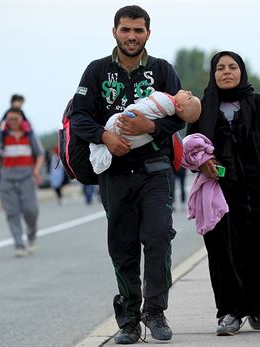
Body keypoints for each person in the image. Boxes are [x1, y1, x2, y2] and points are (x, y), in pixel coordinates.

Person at [69, 5, 184, 344]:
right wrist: (105, 137)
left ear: (148, 33)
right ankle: (130, 319)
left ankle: (155, 311)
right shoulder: (96, 71)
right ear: (114, 31)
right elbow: (79, 117)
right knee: (122, 246)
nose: (132, 36)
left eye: (138, 30)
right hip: (114, 173)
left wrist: (151, 126)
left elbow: (180, 115)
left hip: (156, 170)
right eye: (125, 30)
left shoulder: (163, 71)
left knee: (159, 236)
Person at [187, 51, 260, 336]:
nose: (226, 72)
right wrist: (201, 161)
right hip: (219, 194)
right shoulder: (201, 108)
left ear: (241, 71)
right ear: (213, 74)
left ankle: (257, 306)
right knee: (223, 253)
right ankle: (229, 312)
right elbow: (189, 147)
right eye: (220, 68)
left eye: (232, 67)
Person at [89, 89, 200, 174]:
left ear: (179, 107)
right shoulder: (98, 68)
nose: (189, 92)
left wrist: (149, 126)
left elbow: (178, 122)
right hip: (118, 165)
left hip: (153, 167)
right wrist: (103, 136)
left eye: (189, 98)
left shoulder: (166, 102)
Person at [0, 108, 44, 257]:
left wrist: (36, 171)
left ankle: (31, 237)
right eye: (10, 119)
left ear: (21, 120)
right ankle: (19, 245)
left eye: (15, 119)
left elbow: (40, 154)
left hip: (26, 178)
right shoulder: (2, 136)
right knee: (12, 213)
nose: (13, 122)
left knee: (31, 211)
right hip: (7, 179)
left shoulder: (29, 135)